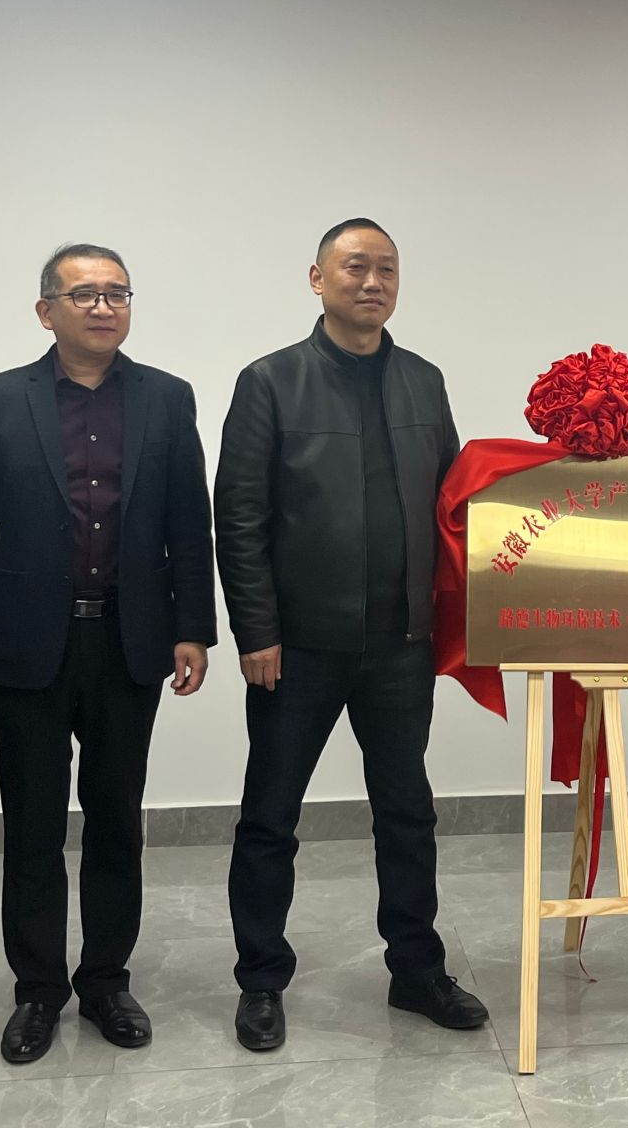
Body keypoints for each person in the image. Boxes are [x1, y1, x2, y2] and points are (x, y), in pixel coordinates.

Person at [0, 243, 216, 1063]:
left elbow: (188, 524)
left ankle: (104, 981)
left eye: (117, 293)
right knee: (32, 824)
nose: (103, 307)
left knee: (116, 819)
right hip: (25, 644)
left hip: (129, 641)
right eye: (85, 294)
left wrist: (192, 627)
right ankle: (37, 991)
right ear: (46, 311)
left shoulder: (168, 398)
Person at [214, 218, 486, 1052]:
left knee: (407, 814)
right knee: (270, 818)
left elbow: (454, 507)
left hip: (400, 646)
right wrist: (256, 630)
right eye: (355, 267)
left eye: (387, 270)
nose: (373, 283)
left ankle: (416, 971)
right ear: (317, 278)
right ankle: (262, 980)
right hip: (297, 648)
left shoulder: (423, 381)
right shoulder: (271, 382)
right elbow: (240, 515)